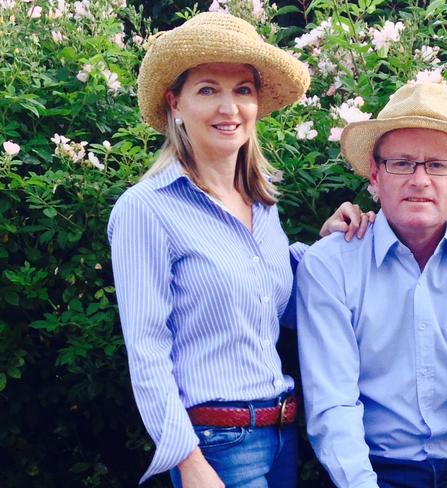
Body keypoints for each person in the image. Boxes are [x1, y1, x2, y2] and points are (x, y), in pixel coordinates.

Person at [108, 12, 372, 488]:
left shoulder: (262, 203)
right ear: (176, 103)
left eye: (242, 90)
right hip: (214, 446)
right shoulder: (146, 210)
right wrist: (188, 462)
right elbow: (147, 351)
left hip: (282, 436)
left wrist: (330, 248)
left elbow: (284, 310)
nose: (229, 108)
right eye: (208, 89)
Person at [297, 81, 447, 488]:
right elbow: (333, 404)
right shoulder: (329, 268)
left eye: (438, 165)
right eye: (402, 163)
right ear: (375, 174)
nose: (420, 180)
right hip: (373, 468)